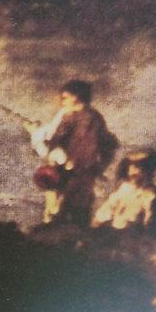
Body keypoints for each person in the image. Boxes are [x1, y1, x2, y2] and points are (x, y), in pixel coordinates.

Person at [28, 79, 118, 226]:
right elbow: (56, 138)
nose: (61, 101)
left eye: (65, 98)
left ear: (76, 97)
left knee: (65, 211)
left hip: (74, 172)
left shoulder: (84, 118)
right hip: (71, 171)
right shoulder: (80, 115)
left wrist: (36, 133)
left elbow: (83, 145)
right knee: (64, 210)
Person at [92, 149, 156, 234]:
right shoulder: (125, 188)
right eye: (131, 166)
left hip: (133, 237)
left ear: (148, 172)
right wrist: (96, 223)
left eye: (139, 167)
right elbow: (107, 208)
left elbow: (150, 228)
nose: (134, 170)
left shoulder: (151, 195)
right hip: (115, 234)